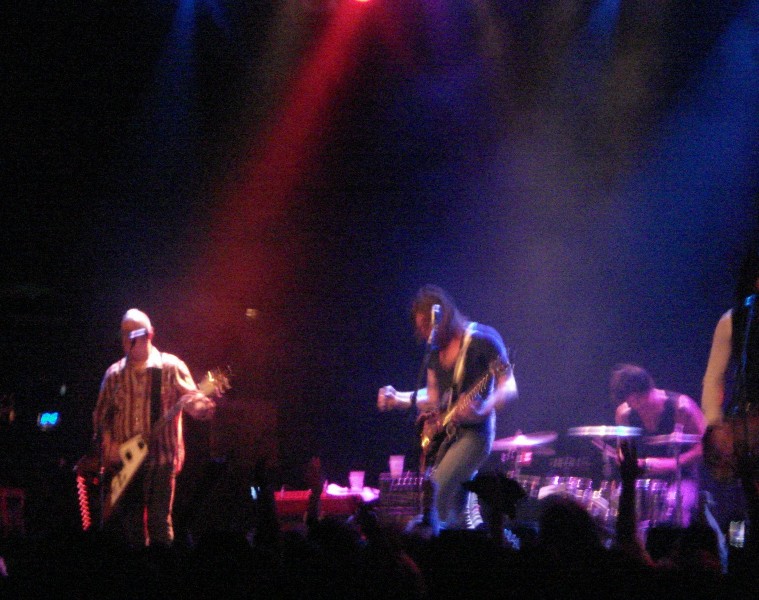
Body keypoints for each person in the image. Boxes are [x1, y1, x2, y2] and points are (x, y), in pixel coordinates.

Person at [378, 285, 518, 528]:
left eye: (427, 325)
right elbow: (433, 397)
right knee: (455, 514)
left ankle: (431, 541)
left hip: (475, 434)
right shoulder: (435, 353)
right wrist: (398, 398)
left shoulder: (482, 340)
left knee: (436, 491)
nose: (424, 333)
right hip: (447, 436)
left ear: (443, 315)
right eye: (420, 328)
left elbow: (509, 386)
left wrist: (483, 408)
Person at [92, 308, 217, 548]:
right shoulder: (114, 375)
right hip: (126, 462)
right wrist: (109, 447)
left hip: (161, 459)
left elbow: (194, 403)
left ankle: (162, 568)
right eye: (123, 333)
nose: (127, 339)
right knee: (131, 528)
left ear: (150, 334)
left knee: (159, 523)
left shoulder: (170, 367)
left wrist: (202, 405)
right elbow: (100, 417)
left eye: (133, 333)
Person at [701, 245, 759, 561]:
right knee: (746, 515)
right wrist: (716, 427)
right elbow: (713, 379)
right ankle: (741, 564)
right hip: (749, 436)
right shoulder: (735, 320)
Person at [612, 363, 706, 527]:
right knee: (618, 501)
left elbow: (706, 447)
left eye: (639, 401)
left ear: (648, 390)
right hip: (644, 479)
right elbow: (622, 449)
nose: (636, 407)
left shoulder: (681, 407)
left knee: (673, 503)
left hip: (682, 478)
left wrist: (670, 464)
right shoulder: (624, 413)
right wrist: (626, 461)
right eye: (630, 403)